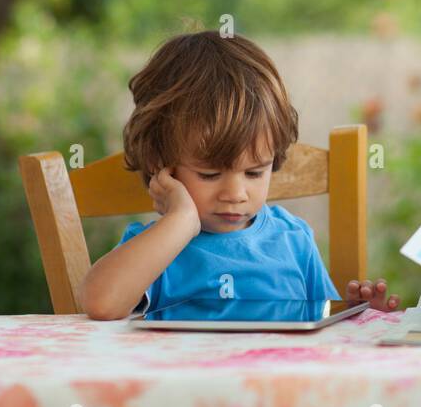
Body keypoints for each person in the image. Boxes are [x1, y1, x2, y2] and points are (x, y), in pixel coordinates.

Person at [80, 30, 400, 320]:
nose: (235, 193)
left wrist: (361, 317)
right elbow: (101, 305)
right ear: (160, 165)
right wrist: (181, 221)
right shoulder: (155, 249)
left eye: (254, 172)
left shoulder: (293, 240)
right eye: (209, 174)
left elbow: (326, 324)